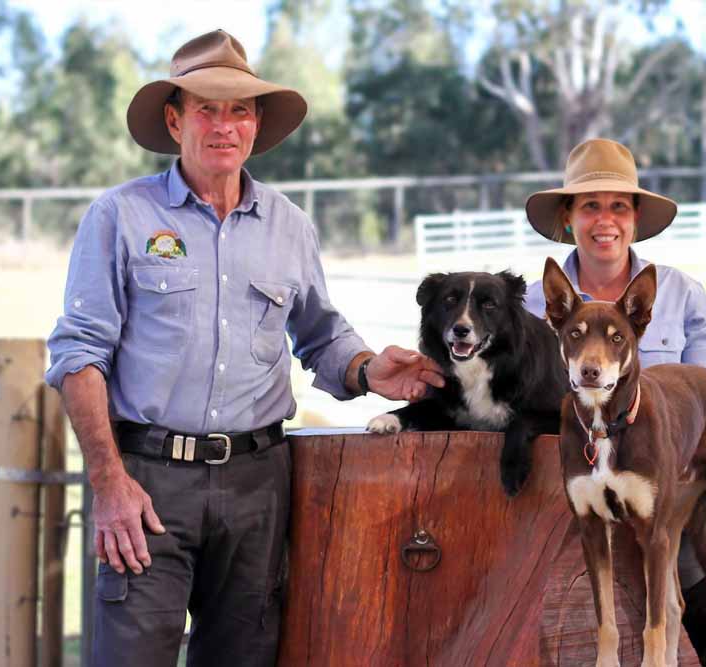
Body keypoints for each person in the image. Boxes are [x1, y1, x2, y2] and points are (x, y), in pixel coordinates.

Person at [45, 30, 444, 667]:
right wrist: (109, 482)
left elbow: (321, 335)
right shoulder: (120, 216)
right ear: (174, 121)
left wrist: (370, 370)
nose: (223, 125)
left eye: (239, 110)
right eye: (206, 108)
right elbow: (78, 355)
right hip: (147, 482)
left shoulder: (290, 225)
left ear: (257, 125)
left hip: (258, 485)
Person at [523, 138, 706, 664]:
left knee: (701, 593)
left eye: (619, 206)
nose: (605, 220)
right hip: (563, 498)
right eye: (590, 205)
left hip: (663, 492)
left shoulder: (679, 294)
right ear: (567, 217)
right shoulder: (532, 304)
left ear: (635, 218)